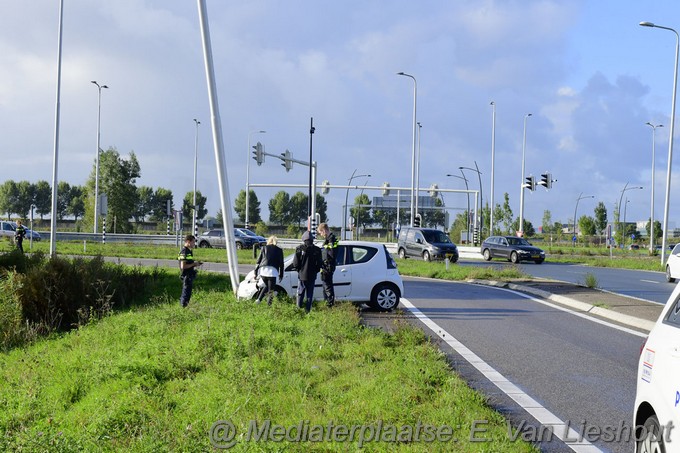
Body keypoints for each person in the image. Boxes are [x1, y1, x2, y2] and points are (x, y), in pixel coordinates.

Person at [292, 230, 322, 313]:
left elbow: (295, 263)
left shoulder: (299, 248)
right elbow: (319, 264)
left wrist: (299, 270)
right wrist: (316, 271)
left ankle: (299, 309)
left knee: (300, 292)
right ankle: (307, 311)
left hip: (302, 275)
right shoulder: (317, 250)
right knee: (310, 294)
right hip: (312, 275)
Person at [254, 235, 284, 305]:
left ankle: (258, 300)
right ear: (276, 242)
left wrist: (255, 272)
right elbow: (281, 264)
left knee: (267, 286)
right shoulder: (279, 250)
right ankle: (269, 305)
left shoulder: (264, 248)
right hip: (272, 272)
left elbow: (258, 261)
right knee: (271, 290)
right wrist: (281, 274)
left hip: (263, 271)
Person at [317, 222, 338, 307]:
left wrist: (325, 249)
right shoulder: (329, 239)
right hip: (325, 266)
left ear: (324, 230)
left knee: (328, 287)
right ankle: (327, 304)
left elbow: (332, 253)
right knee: (325, 287)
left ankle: (329, 305)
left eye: (321, 233)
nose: (321, 235)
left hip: (328, 266)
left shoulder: (331, 239)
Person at [178, 234, 202, 307]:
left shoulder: (189, 251)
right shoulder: (184, 251)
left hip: (189, 275)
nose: (194, 244)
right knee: (185, 293)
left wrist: (195, 264)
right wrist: (194, 264)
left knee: (188, 293)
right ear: (188, 242)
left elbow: (188, 262)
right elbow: (183, 266)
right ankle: (183, 307)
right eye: (193, 242)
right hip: (186, 275)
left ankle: (185, 306)